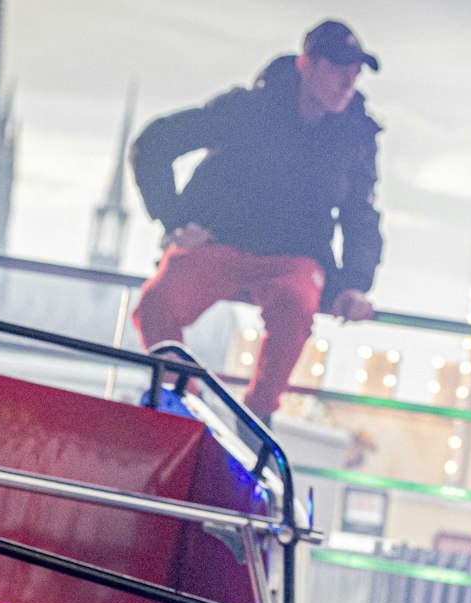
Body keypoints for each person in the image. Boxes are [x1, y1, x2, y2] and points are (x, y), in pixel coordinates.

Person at [130, 19, 385, 421]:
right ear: (308, 64)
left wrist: (354, 283)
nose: (347, 81)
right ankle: (185, 403)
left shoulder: (356, 136)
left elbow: (361, 214)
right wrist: (174, 220)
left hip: (295, 259)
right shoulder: (248, 109)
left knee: (297, 307)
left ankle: (253, 424)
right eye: (338, 68)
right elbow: (154, 143)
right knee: (155, 304)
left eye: (354, 73)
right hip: (222, 243)